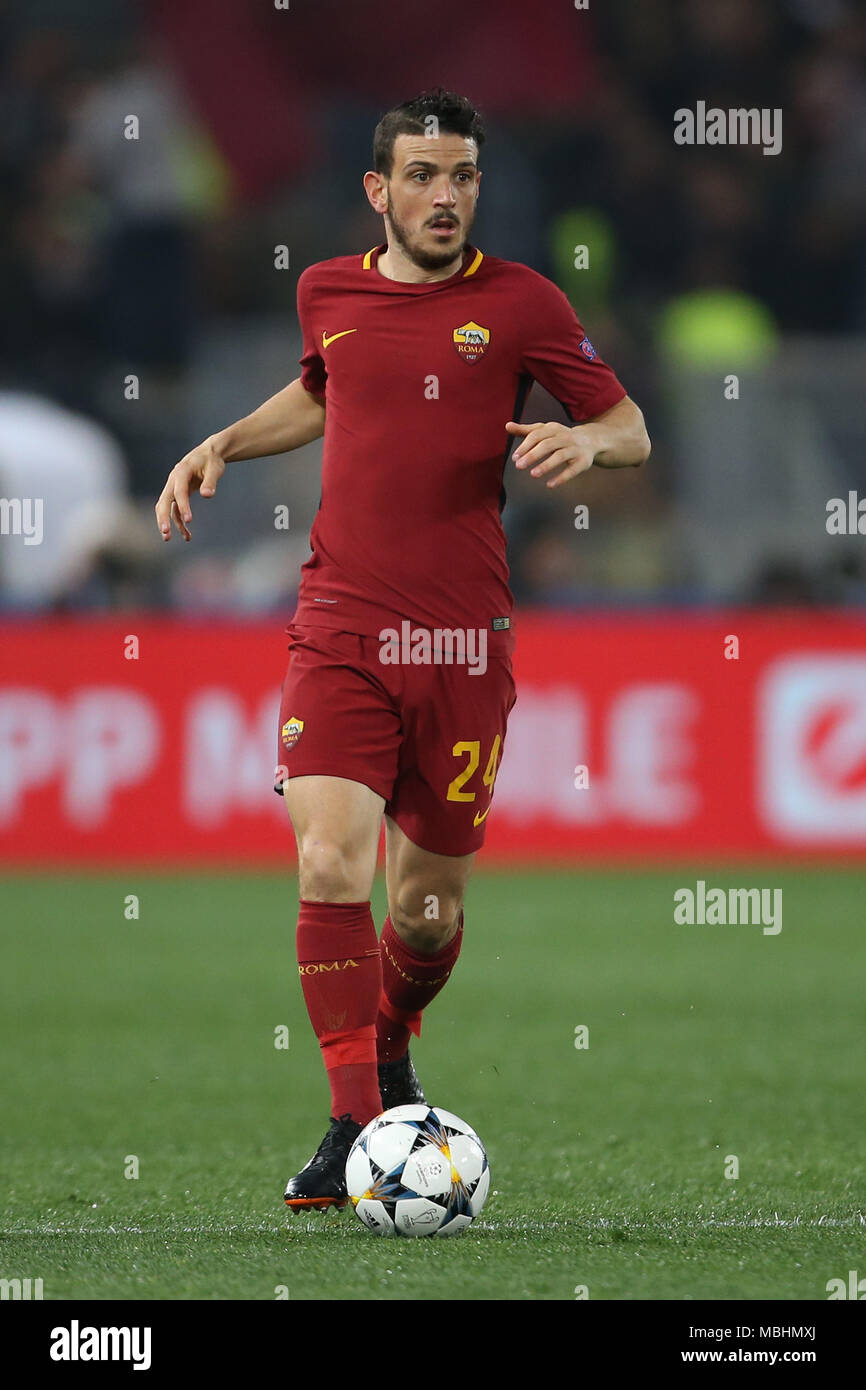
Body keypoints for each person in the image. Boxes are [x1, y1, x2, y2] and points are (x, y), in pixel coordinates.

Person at [155, 89, 650, 1212]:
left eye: (463, 176)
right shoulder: (324, 288)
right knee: (329, 863)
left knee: (424, 915)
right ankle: (349, 1124)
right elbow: (325, 388)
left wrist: (584, 440)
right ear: (378, 190)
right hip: (338, 624)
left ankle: (388, 1046)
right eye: (423, 176)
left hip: (463, 642)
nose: (445, 196)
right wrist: (222, 440)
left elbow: (629, 426)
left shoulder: (521, 305)